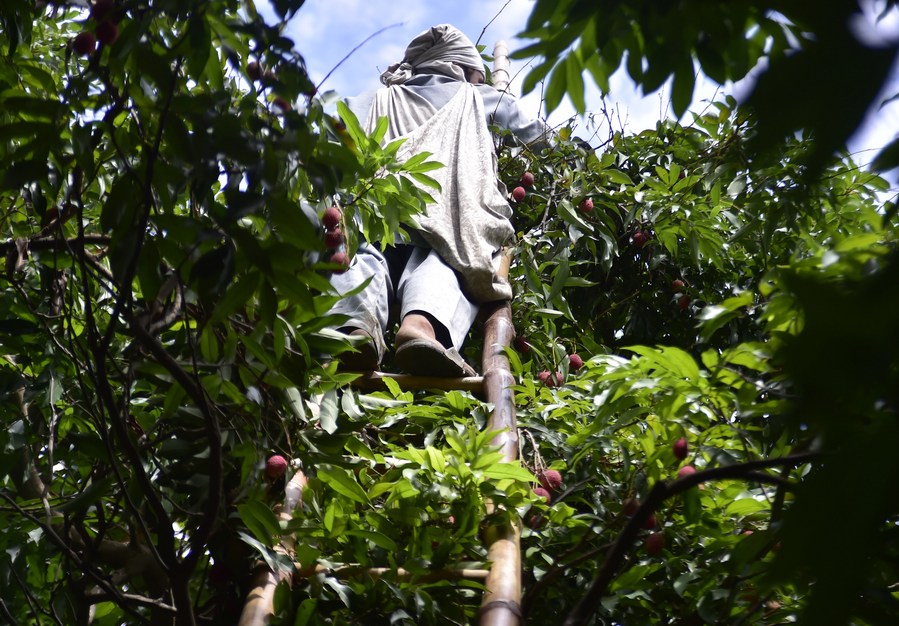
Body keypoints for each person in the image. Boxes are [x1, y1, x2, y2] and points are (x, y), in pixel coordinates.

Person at [329, 24, 550, 377]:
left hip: (373, 212)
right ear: (461, 66)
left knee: (364, 259)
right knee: (449, 265)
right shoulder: (480, 97)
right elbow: (541, 140)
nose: (479, 81)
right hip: (448, 216)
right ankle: (421, 326)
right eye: (477, 74)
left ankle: (354, 328)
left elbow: (329, 141)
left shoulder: (373, 99)